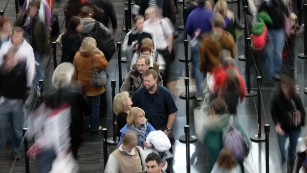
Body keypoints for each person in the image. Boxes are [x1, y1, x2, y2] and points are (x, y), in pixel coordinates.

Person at [27, 63, 90, 172]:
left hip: (57, 135)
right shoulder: (77, 93)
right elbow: (86, 109)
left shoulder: (49, 96)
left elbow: (41, 118)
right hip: (73, 129)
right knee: (71, 152)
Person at [0, 27, 35, 160]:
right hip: (5, 97)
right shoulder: (4, 47)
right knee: (5, 125)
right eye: (15, 36)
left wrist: (28, 87)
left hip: (18, 98)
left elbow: (30, 69)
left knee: (17, 126)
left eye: (19, 36)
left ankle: (16, 149)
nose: (17, 39)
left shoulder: (27, 50)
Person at [73, 37, 109, 133]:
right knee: (95, 108)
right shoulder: (97, 56)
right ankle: (94, 127)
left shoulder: (77, 55)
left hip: (82, 86)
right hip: (95, 87)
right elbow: (105, 64)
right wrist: (100, 53)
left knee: (83, 109)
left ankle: (85, 126)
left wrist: (74, 82)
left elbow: (75, 71)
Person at [271, 75, 305, 172]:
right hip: (283, 127)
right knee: (282, 150)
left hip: (295, 127)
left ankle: (290, 167)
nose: (285, 90)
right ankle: (284, 158)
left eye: (287, 88)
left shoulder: (295, 97)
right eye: (283, 87)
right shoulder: (277, 97)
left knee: (292, 149)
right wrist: (277, 124)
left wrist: (299, 115)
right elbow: (273, 112)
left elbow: (302, 111)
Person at [15, 1, 51, 89]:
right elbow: (15, 27)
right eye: (31, 8)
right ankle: (30, 86)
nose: (32, 10)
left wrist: (47, 53)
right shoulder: (22, 19)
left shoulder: (40, 23)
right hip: (25, 49)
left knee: (39, 69)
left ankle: (38, 88)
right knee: (27, 69)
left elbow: (45, 38)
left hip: (37, 49)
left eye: (34, 9)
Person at [185, 0, 213, 99]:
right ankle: (205, 90)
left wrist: (194, 34)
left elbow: (187, 29)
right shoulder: (210, 14)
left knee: (198, 67)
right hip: (209, 43)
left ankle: (200, 93)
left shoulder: (192, 15)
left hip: (196, 43)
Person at [258, 0, 289, 81]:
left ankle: (275, 72)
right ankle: (270, 73)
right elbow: (259, 16)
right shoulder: (265, 4)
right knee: (269, 52)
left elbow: (286, 14)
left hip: (280, 30)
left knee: (278, 53)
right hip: (268, 31)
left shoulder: (281, 3)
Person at [144, 7, 174, 87]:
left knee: (165, 71)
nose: (148, 16)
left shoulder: (163, 22)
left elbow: (170, 34)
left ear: (154, 13)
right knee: (153, 70)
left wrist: (169, 48)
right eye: (147, 14)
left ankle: (164, 86)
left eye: (149, 14)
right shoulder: (146, 23)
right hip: (152, 51)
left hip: (163, 49)